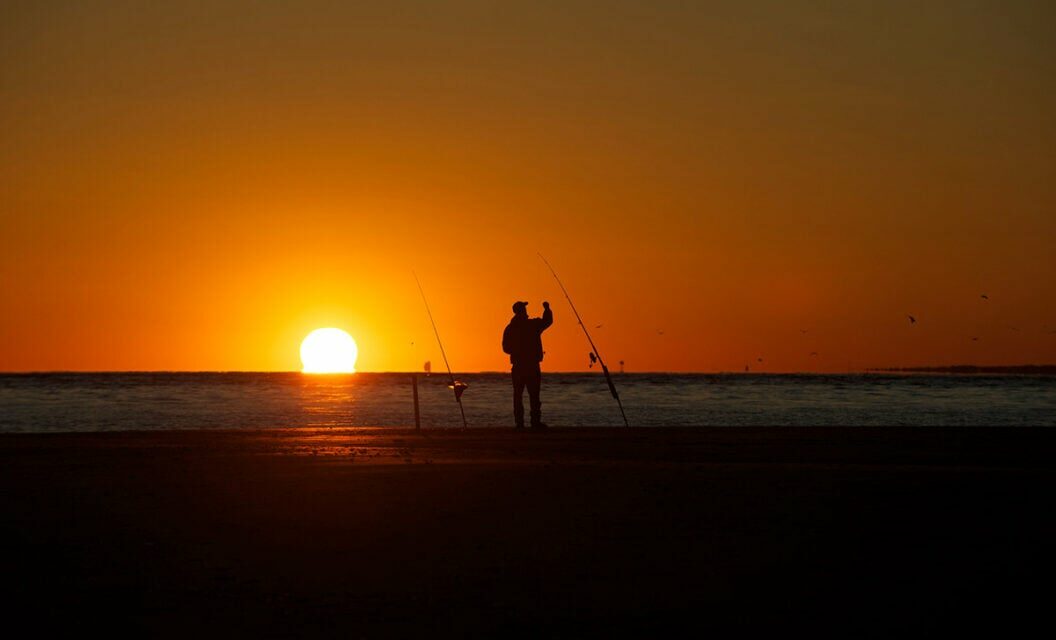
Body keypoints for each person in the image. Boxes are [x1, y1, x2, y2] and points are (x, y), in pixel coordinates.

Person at [502, 300, 553, 429]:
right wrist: (547, 309)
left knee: (519, 396)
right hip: (530, 366)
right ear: (521, 311)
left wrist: (516, 350)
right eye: (524, 308)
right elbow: (547, 321)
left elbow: (506, 348)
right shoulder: (532, 325)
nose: (526, 310)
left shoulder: (510, 328)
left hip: (519, 366)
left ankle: (520, 424)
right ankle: (534, 422)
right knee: (533, 395)